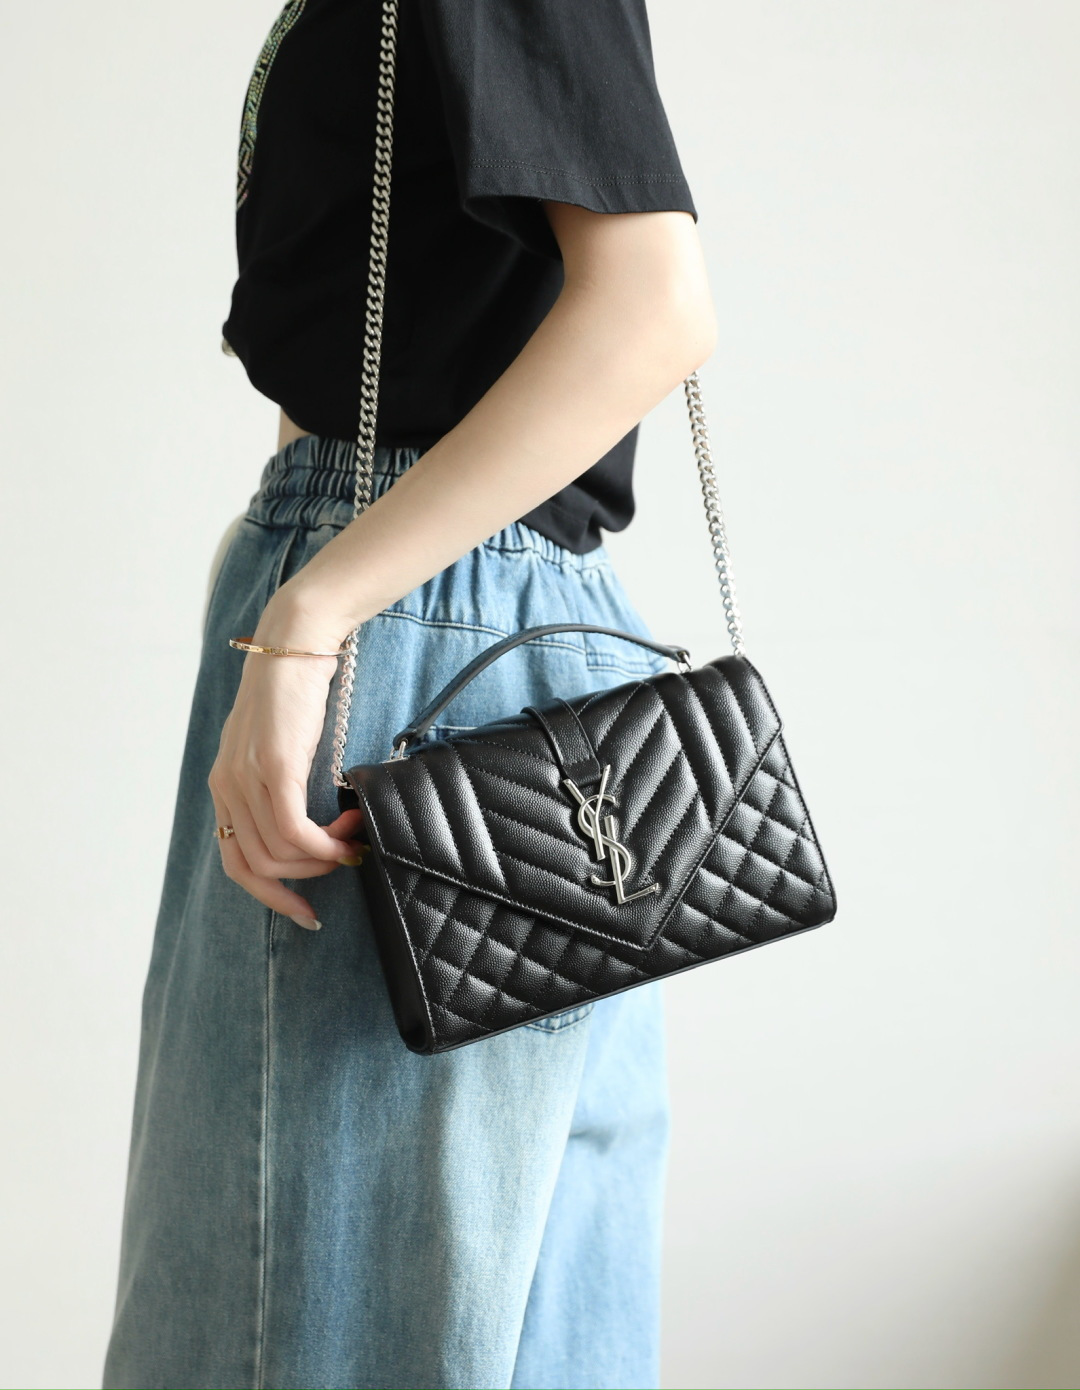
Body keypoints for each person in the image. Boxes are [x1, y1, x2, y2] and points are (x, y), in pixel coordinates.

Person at [102, 1, 715, 1386]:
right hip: (493, 628)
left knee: (305, 1305)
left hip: (404, 629)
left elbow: (655, 304)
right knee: (530, 1308)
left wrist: (312, 604)